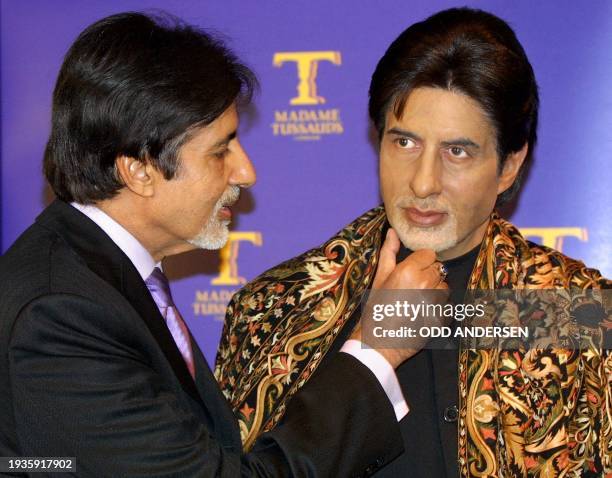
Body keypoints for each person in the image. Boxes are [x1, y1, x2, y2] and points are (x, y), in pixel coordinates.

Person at [0, 11, 447, 477]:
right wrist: (378, 348)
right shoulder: (64, 312)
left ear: (511, 166)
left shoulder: (529, 298)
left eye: (458, 150)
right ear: (138, 169)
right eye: (221, 149)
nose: (246, 172)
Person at [215, 7, 612, 477]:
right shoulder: (279, 308)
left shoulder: (575, 310)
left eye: (457, 151)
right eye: (404, 143)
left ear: (509, 165)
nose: (423, 183)